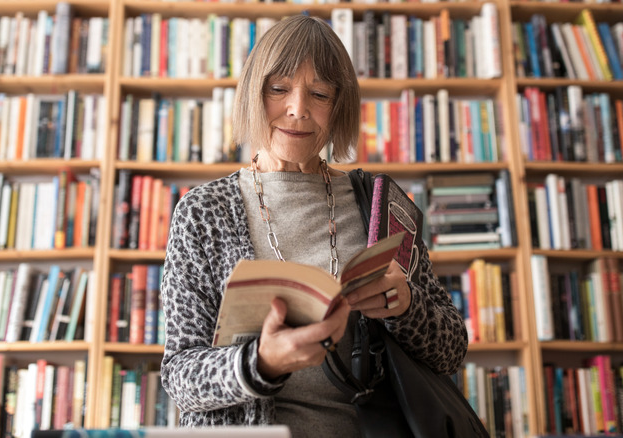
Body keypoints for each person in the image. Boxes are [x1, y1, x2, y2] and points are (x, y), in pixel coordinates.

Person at [160, 15, 468, 436]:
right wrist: (261, 362)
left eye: (319, 93)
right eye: (279, 89)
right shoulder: (203, 212)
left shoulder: (378, 203)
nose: (298, 109)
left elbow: (452, 350)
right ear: (254, 92)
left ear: (339, 104)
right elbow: (179, 376)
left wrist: (406, 306)